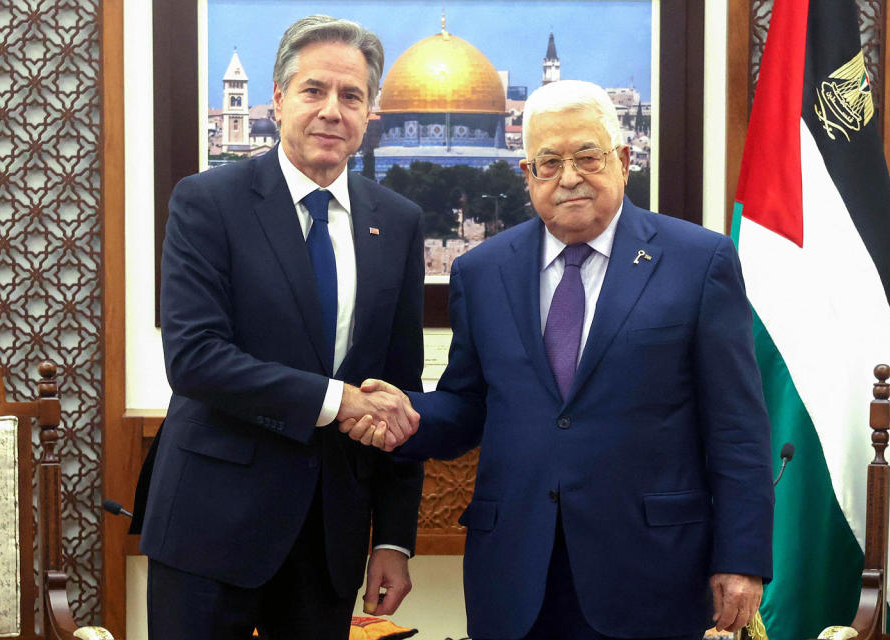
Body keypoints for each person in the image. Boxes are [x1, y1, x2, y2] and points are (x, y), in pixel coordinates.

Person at [344, 80, 774, 640]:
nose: (569, 177)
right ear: (528, 177)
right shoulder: (483, 271)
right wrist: (407, 417)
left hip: (652, 570)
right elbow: (469, 405)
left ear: (622, 161)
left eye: (587, 156)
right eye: (548, 162)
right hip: (517, 571)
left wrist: (741, 558)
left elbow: (737, 428)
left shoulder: (698, 261)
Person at [137, 15, 424, 640]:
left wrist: (395, 539)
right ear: (277, 99)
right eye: (313, 90)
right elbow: (194, 358)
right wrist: (336, 400)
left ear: (369, 111)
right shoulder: (207, 200)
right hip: (210, 528)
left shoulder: (397, 221)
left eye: (351, 96)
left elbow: (398, 388)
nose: (331, 111)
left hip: (330, 539)